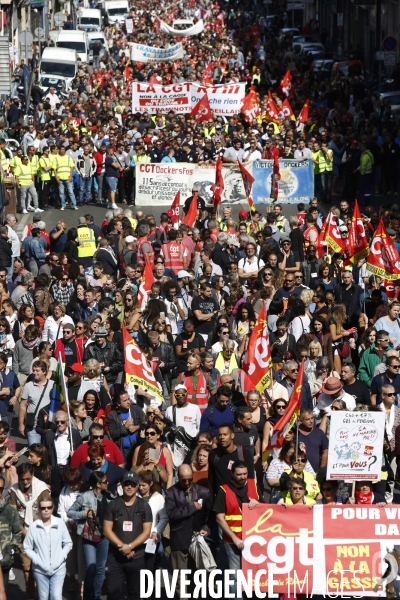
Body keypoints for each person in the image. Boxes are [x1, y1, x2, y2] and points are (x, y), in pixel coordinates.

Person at [103, 472, 152, 600]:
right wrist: (123, 547)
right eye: (126, 484)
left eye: (133, 484)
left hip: (137, 556)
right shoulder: (113, 505)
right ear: (122, 486)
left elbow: (146, 532)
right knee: (112, 591)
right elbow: (107, 530)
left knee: (135, 593)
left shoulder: (145, 506)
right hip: (115, 557)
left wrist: (130, 547)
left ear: (137, 487)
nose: (129, 487)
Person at [165, 464, 212, 598]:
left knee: (198, 576)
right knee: (180, 578)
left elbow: (211, 514)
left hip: (198, 539)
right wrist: (191, 506)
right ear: (177, 478)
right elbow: (171, 514)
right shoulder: (171, 492)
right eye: (183, 480)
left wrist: (207, 527)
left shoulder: (203, 491)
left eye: (189, 479)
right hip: (180, 539)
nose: (187, 483)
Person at [214, 461, 259, 600]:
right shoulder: (224, 490)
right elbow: (219, 518)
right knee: (234, 575)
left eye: (245, 473)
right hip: (232, 541)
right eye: (239, 474)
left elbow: (265, 509)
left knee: (253, 574)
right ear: (232, 474)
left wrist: (258, 504)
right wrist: (234, 538)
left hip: (253, 540)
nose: (243, 477)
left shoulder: (253, 485)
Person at [68, 471, 114, 600]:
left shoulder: (109, 497)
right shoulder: (84, 497)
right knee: (91, 567)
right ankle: (87, 596)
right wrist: (84, 513)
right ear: (98, 484)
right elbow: (70, 512)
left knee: (100, 569)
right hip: (89, 536)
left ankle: (97, 596)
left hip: (104, 537)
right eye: (105, 482)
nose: (108, 483)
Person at [9, 463, 50, 598]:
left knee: (42, 569)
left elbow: (47, 514)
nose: (25, 482)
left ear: (32, 475)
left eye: (28, 479)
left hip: (41, 533)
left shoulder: (42, 489)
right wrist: (23, 531)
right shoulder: (14, 491)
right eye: (22, 479)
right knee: (27, 569)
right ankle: (32, 596)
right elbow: (13, 514)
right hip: (23, 533)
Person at [23, 492, 72, 600]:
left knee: (56, 597)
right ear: (39, 509)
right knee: (43, 597)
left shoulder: (60, 523)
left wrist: (62, 556)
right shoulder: (34, 527)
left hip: (58, 568)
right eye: (43, 507)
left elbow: (68, 543)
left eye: (49, 507)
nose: (46, 510)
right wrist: (37, 559)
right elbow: (27, 547)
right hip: (40, 570)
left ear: (52, 508)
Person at [18, 359, 53, 445]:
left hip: (48, 426)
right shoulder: (28, 386)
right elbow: (23, 406)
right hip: (33, 425)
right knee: (35, 453)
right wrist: (21, 424)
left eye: (37, 370)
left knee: (48, 454)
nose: (34, 372)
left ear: (44, 372)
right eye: (33, 370)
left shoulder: (53, 385)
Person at [107, 391, 145, 460]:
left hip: (137, 447)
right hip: (123, 450)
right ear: (118, 403)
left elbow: (146, 423)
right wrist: (125, 427)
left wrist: (137, 427)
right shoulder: (112, 415)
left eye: (128, 399)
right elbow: (113, 434)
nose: (128, 402)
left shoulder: (136, 409)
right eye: (125, 400)